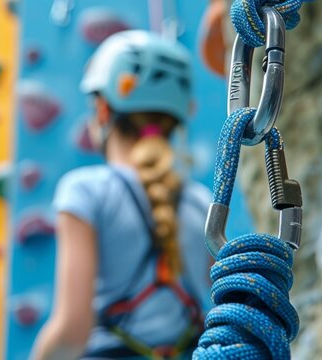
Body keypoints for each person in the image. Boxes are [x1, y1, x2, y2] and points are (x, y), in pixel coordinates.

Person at [31, 30, 213, 360]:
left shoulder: (85, 191)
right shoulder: (201, 201)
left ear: (102, 110)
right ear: (178, 119)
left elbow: (72, 332)